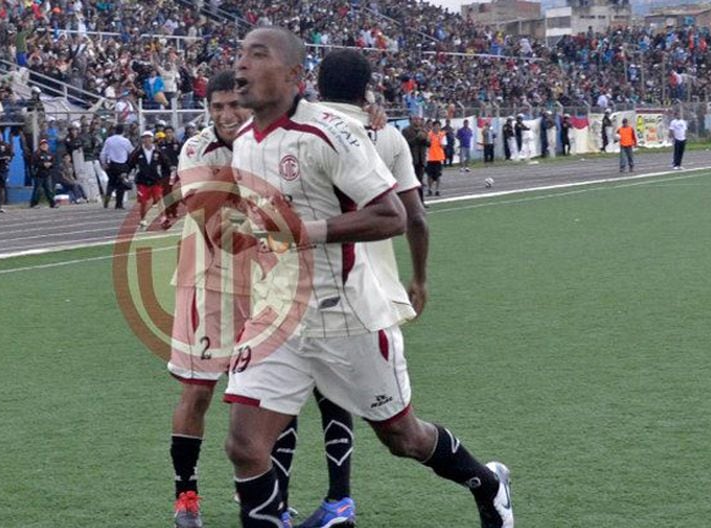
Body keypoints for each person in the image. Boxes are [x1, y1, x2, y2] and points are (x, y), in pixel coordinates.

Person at [226, 26, 512, 528]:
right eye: (240, 54)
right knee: (245, 446)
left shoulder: (331, 134)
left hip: (348, 318)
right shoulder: (246, 141)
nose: (241, 64)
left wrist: (305, 231)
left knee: (404, 438)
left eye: (257, 54)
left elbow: (392, 216)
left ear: (293, 74)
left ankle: (488, 484)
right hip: (279, 318)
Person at [296, 48, 432, 528]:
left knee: (329, 403)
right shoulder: (386, 135)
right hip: (375, 289)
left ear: (315, 84)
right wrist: (419, 277)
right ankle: (336, 499)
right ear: (367, 90)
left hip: (323, 282)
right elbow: (415, 217)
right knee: (361, 410)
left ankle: (322, 500)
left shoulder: (305, 131)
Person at [164, 70, 299, 528]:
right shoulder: (197, 150)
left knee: (274, 394)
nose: (225, 114)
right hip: (209, 285)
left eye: (234, 105)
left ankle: (274, 497)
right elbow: (213, 224)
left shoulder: (274, 143)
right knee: (197, 391)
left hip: (267, 288)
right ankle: (186, 497)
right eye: (217, 106)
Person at [129, 130, 169, 228]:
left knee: (159, 199)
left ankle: (163, 218)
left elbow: (165, 162)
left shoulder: (158, 151)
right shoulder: (138, 151)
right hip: (142, 181)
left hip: (155, 180)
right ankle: (143, 219)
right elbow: (130, 162)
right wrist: (125, 172)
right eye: (145, 137)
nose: (147, 139)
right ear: (142, 139)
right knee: (143, 201)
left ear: (152, 139)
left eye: (149, 137)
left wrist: (167, 171)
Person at [100, 124, 134, 209]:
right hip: (122, 164)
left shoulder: (109, 140)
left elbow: (103, 153)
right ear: (123, 131)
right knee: (121, 184)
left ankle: (107, 197)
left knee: (111, 182)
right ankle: (119, 204)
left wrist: (103, 163)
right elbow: (132, 151)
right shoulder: (125, 141)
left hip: (112, 164)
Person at [401, 115, 429, 206]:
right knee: (411, 182)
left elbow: (429, 144)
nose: (417, 121)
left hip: (421, 160)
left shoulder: (423, 130)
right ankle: (412, 202)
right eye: (415, 119)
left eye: (418, 119)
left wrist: (424, 139)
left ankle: (421, 201)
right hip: (412, 159)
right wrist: (417, 139)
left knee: (420, 181)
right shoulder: (406, 131)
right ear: (411, 120)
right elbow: (406, 144)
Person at [30, 139, 57, 208]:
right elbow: (34, 163)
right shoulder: (36, 154)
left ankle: (53, 203)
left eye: (45, 144)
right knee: (38, 190)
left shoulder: (50, 154)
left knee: (49, 189)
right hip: (39, 174)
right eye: (43, 144)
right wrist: (43, 164)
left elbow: (54, 162)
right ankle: (34, 204)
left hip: (47, 174)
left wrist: (50, 164)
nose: (44, 146)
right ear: (40, 146)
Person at [425, 120, 446, 196]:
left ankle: (437, 190)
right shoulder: (429, 134)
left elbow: (444, 146)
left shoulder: (442, 135)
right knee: (429, 175)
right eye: (436, 126)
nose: (437, 128)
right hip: (430, 158)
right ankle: (429, 189)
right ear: (433, 127)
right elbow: (427, 144)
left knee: (438, 175)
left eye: (438, 126)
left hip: (438, 158)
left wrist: (441, 142)